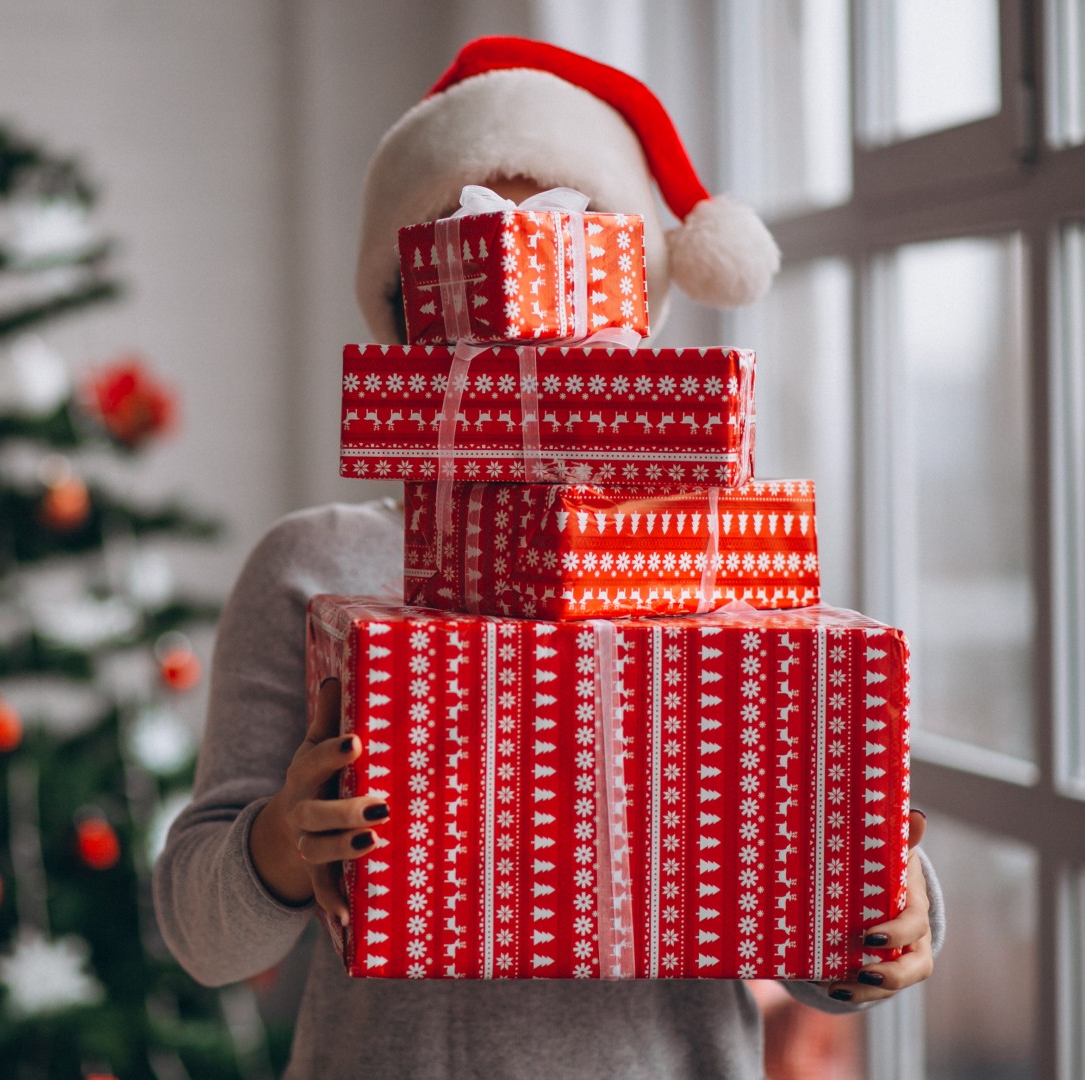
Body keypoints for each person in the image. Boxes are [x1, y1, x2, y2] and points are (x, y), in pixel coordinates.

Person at [154, 37, 942, 1080]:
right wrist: (287, 841)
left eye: (562, 246)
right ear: (404, 311)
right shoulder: (315, 566)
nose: (520, 312)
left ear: (630, 303)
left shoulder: (702, 546)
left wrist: (890, 901)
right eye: (471, 247)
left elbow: (804, 915)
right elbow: (205, 937)